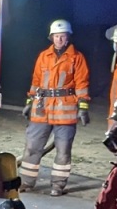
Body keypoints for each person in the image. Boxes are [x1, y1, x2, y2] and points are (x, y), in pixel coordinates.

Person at [20, 20, 90, 196]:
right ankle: (26, 182)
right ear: (51, 37)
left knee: (63, 150)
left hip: (65, 111)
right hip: (41, 109)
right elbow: (36, 81)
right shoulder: (44, 56)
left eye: (63, 36)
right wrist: (29, 102)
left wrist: (83, 106)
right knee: (32, 147)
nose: (59, 39)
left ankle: (58, 185)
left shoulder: (77, 58)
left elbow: (82, 83)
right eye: (56, 36)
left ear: (68, 37)